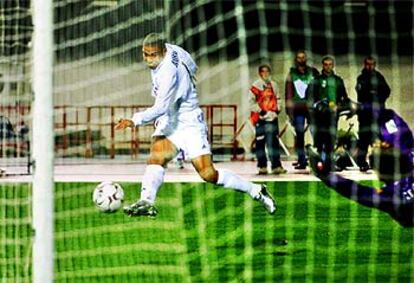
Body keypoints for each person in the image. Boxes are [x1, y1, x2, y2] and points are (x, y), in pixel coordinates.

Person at [115, 33, 276, 216]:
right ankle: (146, 201)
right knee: (156, 158)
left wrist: (134, 120)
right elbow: (193, 65)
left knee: (208, 174)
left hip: (189, 122)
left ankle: (256, 190)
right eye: (145, 54)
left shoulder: (167, 73)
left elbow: (160, 107)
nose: (148, 59)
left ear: (162, 51)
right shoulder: (175, 50)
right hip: (171, 119)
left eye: (152, 55)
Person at [308, 108, 414, 227]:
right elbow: (396, 129)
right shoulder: (409, 154)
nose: (378, 143)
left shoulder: (391, 196)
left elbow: (356, 191)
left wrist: (324, 175)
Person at [306, 55, 350, 172]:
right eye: (326, 64)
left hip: (332, 116)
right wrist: (317, 106)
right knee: (319, 140)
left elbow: (344, 98)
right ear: (322, 66)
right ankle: (319, 164)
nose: (328, 67)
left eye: (330, 64)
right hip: (319, 116)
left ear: (333, 65)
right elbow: (309, 97)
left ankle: (330, 164)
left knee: (331, 140)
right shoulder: (316, 80)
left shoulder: (338, 80)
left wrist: (340, 106)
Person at [249, 64, 287, 175]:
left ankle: (276, 166)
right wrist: (261, 111)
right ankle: (262, 166)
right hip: (261, 119)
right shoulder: (255, 86)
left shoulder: (274, 85)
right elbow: (251, 102)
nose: (265, 74)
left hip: (272, 118)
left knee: (274, 142)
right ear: (260, 73)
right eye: (263, 72)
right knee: (260, 142)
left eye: (267, 72)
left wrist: (277, 109)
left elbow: (278, 98)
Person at [355, 56, 391, 172]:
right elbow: (362, 95)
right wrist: (373, 94)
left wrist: (377, 99)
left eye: (372, 64)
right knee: (364, 139)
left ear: (375, 65)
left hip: (378, 113)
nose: (370, 66)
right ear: (364, 65)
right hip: (365, 114)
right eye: (368, 64)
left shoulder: (379, 77)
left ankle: (380, 163)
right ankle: (362, 163)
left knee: (380, 138)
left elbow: (386, 91)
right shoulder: (361, 78)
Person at [285, 50, 319, 169]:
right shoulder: (291, 74)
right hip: (297, 109)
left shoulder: (313, 72)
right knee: (299, 135)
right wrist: (289, 111)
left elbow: (319, 89)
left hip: (312, 108)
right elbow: (288, 93)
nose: (301, 60)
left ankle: (319, 159)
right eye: (299, 58)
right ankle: (301, 160)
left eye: (303, 57)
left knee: (316, 133)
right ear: (296, 59)